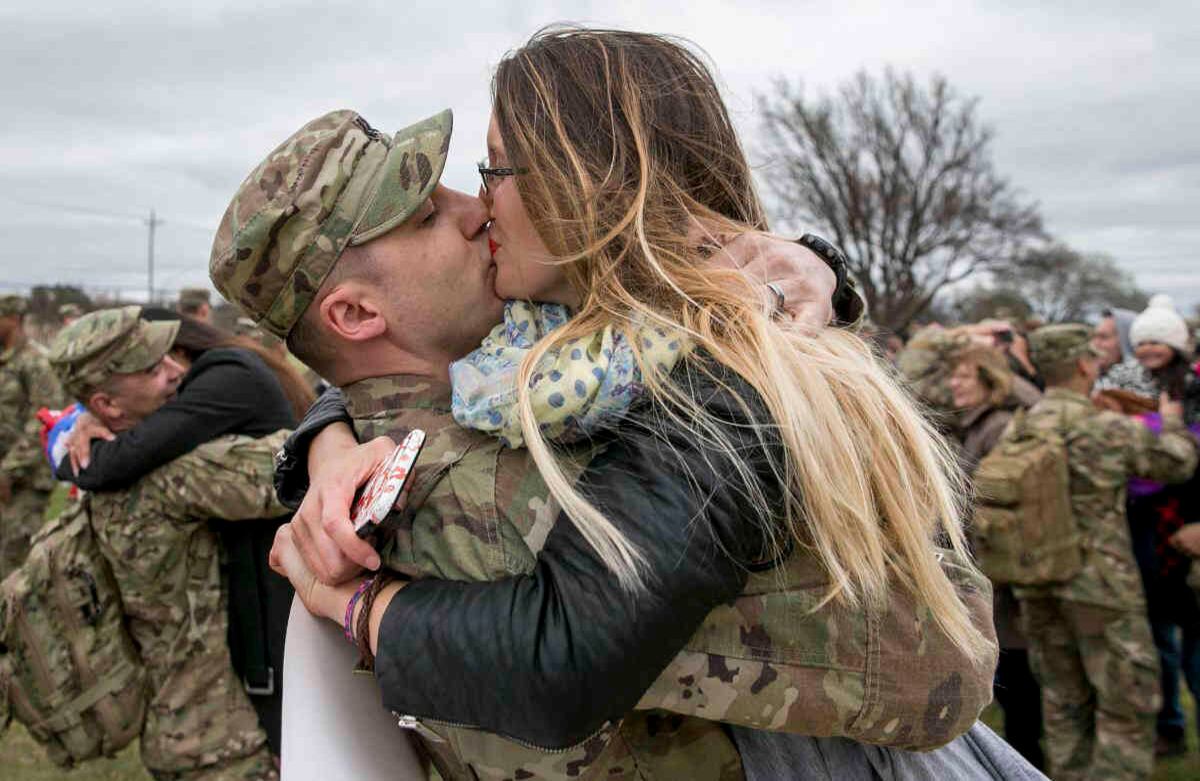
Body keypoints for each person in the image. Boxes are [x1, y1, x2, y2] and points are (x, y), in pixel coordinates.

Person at [222, 28, 1027, 780]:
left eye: (485, 175)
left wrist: (801, 276)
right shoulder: (494, 487)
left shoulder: (500, 391)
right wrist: (750, 349)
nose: (477, 210)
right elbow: (936, 660)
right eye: (431, 214)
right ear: (357, 315)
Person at [46, 306, 290, 781]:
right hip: (225, 737)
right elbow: (301, 464)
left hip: (171, 725)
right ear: (108, 406)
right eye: (152, 370)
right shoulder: (174, 476)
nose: (177, 371)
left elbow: (76, 450)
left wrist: (77, 426)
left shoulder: (102, 469)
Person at [1010, 323, 1198, 781]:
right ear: (1083, 364)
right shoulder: (1102, 426)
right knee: (1125, 703)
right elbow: (1177, 461)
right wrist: (1171, 420)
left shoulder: (1022, 423)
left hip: (1037, 583)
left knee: (1063, 701)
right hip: (1101, 584)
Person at [948, 345, 1045, 770]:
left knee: (1018, 672)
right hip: (986, 564)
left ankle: (1027, 757)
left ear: (989, 381)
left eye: (965, 377)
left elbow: (992, 498)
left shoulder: (999, 427)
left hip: (1002, 568)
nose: (954, 384)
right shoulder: (975, 425)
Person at [1120, 295, 1200, 757]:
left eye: (1159, 339)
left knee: (1192, 642)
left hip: (1186, 519)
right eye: (1143, 340)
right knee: (1157, 636)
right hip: (1149, 524)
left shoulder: (1192, 388)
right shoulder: (1128, 384)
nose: (1149, 347)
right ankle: (1169, 723)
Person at [0, 293, 67, 578]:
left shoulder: (35, 362)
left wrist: (8, 470)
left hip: (24, 480)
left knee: (17, 559)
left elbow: (42, 419)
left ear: (13, 320)